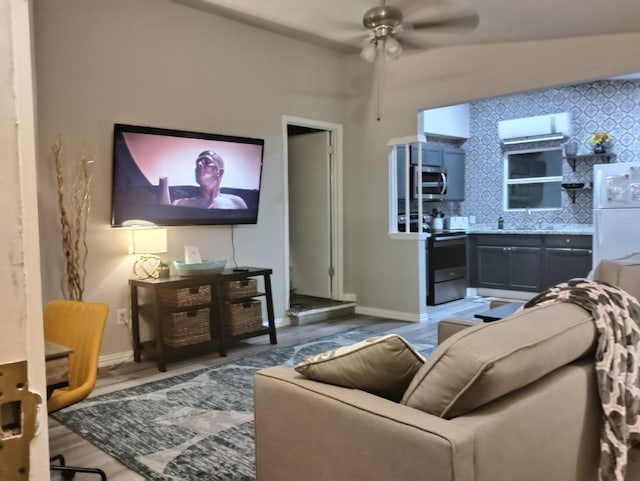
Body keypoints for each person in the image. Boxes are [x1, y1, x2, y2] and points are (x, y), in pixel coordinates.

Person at [172, 150, 247, 209]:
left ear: (220, 173)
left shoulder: (236, 203)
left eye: (207, 162)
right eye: (197, 163)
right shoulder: (179, 204)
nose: (199, 165)